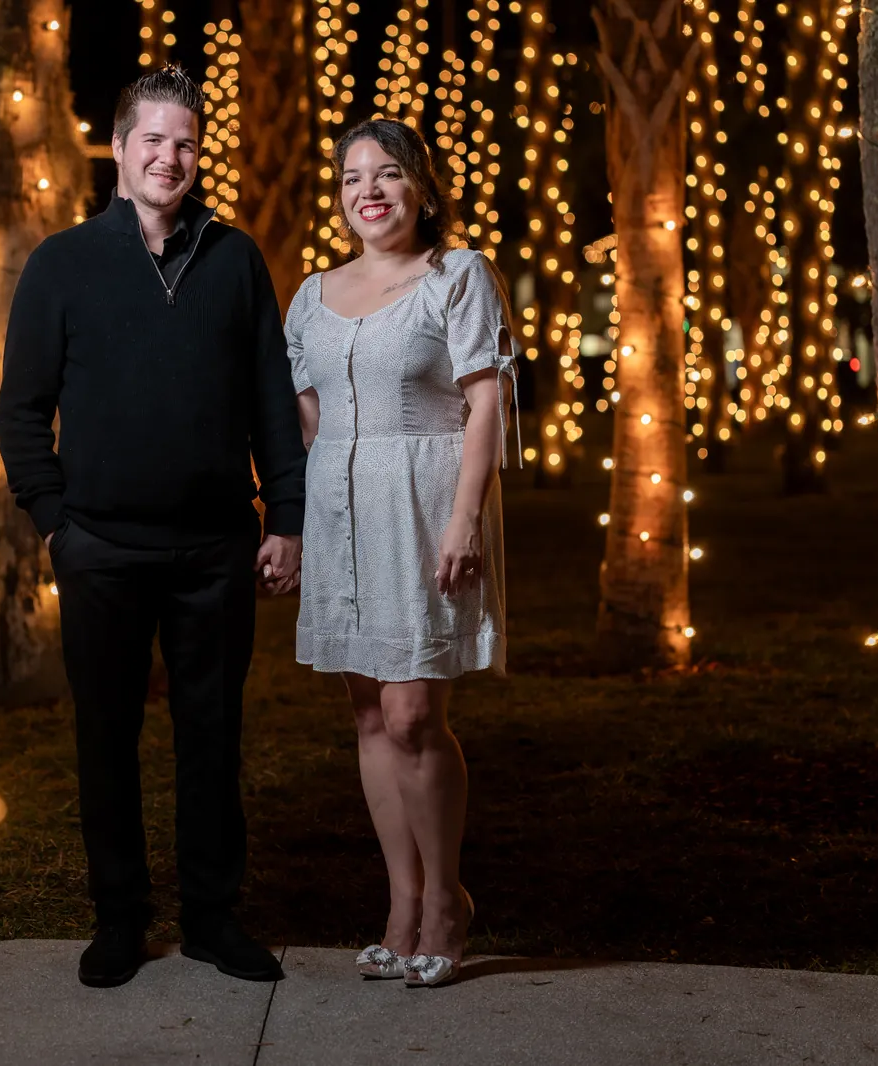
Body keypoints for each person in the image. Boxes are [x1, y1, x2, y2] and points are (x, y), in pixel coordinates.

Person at [0, 65, 306, 989]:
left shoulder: (237, 259)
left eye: (185, 143)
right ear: (121, 151)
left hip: (216, 547)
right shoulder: (62, 264)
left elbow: (271, 407)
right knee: (107, 736)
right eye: (153, 142)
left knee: (212, 736)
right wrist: (55, 522)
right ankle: (119, 920)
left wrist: (283, 517)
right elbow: (22, 411)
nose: (170, 157)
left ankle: (213, 919)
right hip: (101, 549)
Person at [283, 118, 518, 989]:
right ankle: (400, 901)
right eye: (351, 178)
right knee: (371, 716)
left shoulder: (456, 276)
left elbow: (485, 403)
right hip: (342, 511)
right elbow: (310, 418)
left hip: (424, 506)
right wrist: (302, 522)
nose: (368, 191)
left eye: (386, 174)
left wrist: (465, 517)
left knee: (417, 712)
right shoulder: (312, 293)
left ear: (422, 187)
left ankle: (446, 900)